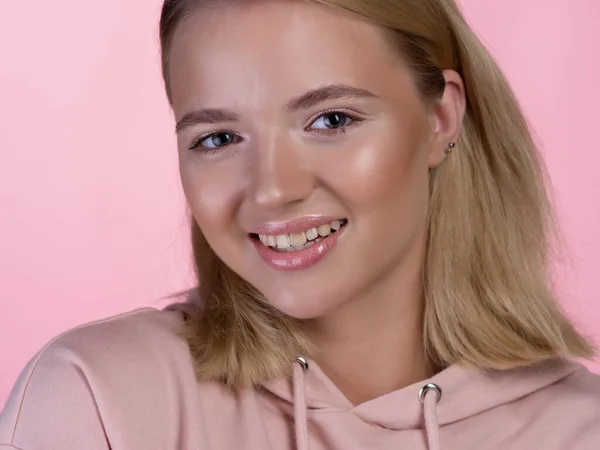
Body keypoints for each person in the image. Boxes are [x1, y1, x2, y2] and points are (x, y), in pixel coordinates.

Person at [1, 0, 599, 448]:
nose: (273, 188)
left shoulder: (581, 427)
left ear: (440, 116)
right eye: (218, 137)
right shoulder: (99, 405)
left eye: (331, 120)